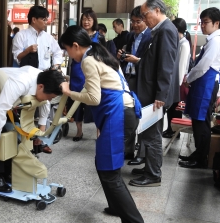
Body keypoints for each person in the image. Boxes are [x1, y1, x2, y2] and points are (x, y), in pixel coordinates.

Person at [59, 25, 144, 223]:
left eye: (67, 50)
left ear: (75, 45)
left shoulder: (88, 60)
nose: (69, 55)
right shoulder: (101, 53)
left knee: (109, 172)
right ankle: (116, 207)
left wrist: (68, 92)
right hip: (123, 112)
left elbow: (93, 98)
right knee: (103, 165)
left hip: (119, 115)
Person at [0, 66, 65, 193]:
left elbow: (45, 105)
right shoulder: (21, 82)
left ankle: (7, 172)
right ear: (40, 87)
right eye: (49, 96)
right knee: (2, 132)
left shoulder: (45, 79)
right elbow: (0, 110)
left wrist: (40, 135)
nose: (48, 100)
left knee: (15, 127)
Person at [128, 0, 179, 187]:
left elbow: (166, 66)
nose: (143, 19)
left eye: (145, 15)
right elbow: (154, 61)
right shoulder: (160, 29)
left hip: (155, 94)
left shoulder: (166, 30)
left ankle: (153, 175)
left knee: (152, 134)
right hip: (151, 91)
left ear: (157, 11)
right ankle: (149, 167)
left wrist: (161, 95)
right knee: (148, 131)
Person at [179, 7, 220, 169]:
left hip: (206, 85)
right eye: (201, 22)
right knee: (197, 121)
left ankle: (200, 158)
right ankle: (197, 154)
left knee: (202, 122)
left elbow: (203, 66)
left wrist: (189, 78)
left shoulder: (217, 41)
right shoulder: (212, 40)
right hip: (201, 84)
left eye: (206, 22)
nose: (202, 26)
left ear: (217, 23)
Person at [12, 6, 63, 153]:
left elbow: (58, 52)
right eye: (44, 19)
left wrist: (56, 65)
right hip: (27, 76)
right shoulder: (21, 35)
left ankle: (40, 137)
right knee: (27, 106)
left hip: (44, 75)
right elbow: (17, 56)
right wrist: (27, 51)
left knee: (45, 104)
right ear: (34, 19)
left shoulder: (48, 38)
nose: (46, 21)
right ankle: (24, 137)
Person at [116, 6, 152, 163]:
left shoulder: (151, 36)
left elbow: (151, 62)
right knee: (128, 114)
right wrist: (121, 57)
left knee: (142, 114)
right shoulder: (130, 36)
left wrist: (136, 60)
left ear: (145, 20)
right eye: (133, 22)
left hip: (142, 80)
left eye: (138, 22)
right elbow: (127, 55)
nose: (135, 25)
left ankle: (142, 154)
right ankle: (128, 150)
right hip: (129, 77)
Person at [67, 9, 106, 141]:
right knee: (76, 104)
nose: (86, 21)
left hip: (92, 72)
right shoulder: (76, 35)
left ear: (94, 21)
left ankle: (98, 132)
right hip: (77, 72)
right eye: (84, 19)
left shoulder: (99, 37)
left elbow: (103, 55)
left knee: (95, 102)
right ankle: (78, 131)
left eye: (89, 19)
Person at [162, 18, 192, 139]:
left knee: (175, 108)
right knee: (172, 108)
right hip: (175, 81)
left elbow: (181, 65)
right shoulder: (179, 42)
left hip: (178, 82)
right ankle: (170, 129)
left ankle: (174, 131)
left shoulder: (184, 44)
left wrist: (177, 83)